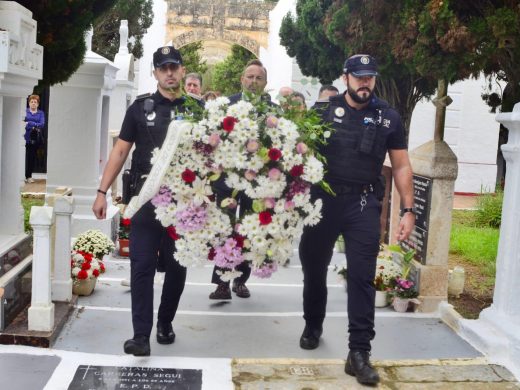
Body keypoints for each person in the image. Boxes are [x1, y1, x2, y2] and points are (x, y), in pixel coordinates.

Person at [298, 54, 415, 386]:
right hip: (323, 201)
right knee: (314, 267)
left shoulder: (388, 117)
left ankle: (359, 353)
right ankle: (313, 322)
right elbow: (300, 153)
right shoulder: (322, 111)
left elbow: (402, 165)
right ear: (345, 77)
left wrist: (408, 210)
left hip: (363, 203)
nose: (365, 82)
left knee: (362, 278)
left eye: (370, 77)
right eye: (359, 76)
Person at [93, 45, 196, 356]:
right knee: (141, 267)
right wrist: (102, 192)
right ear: (154, 73)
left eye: (173, 67)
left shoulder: (197, 110)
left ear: (181, 70)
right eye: (163, 68)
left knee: (177, 268)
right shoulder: (139, 108)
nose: (169, 72)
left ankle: (165, 321)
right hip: (145, 201)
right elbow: (121, 151)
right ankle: (141, 336)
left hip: (182, 205)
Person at [209, 59, 272, 300]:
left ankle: (241, 280)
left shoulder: (272, 110)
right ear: (242, 79)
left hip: (256, 183)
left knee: (248, 229)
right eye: (250, 77)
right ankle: (221, 283)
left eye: (259, 78)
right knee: (224, 229)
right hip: (227, 181)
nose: (253, 82)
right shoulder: (227, 105)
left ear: (265, 83)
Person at [23, 94, 45, 183]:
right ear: (29, 103)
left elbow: (42, 124)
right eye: (31, 102)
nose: (33, 104)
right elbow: (22, 122)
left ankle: (29, 176)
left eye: (35, 102)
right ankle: (21, 175)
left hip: (34, 137)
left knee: (31, 156)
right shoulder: (25, 111)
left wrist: (30, 123)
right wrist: (34, 124)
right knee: (22, 155)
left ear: (38, 104)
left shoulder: (41, 113)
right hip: (24, 136)